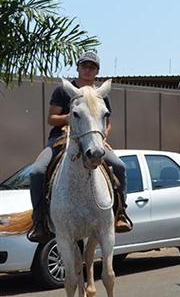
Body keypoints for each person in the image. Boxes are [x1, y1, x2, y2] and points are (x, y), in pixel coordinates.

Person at [27, 52, 133, 242]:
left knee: (120, 166)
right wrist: (73, 117)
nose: (88, 70)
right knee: (36, 172)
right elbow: (51, 119)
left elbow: (107, 123)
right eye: (84, 66)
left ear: (97, 71)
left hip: (93, 141)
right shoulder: (63, 91)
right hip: (61, 138)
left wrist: (102, 137)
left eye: (92, 67)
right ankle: (39, 220)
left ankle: (120, 213)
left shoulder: (100, 95)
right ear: (78, 68)